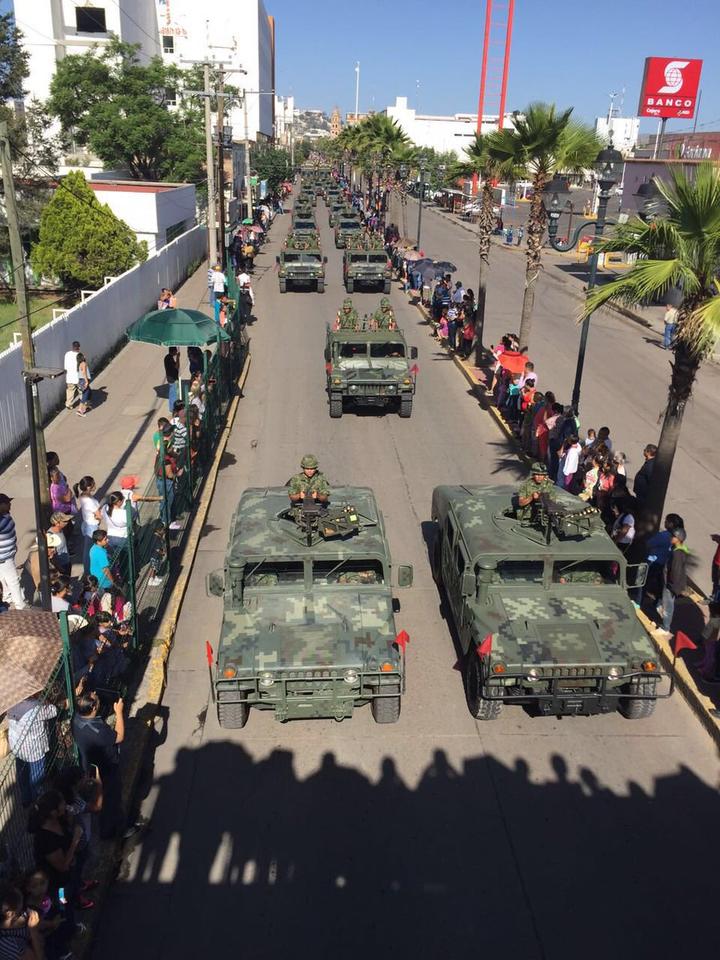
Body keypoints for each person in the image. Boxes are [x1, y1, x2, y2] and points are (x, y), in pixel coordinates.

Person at [71, 692, 127, 840]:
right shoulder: (98, 731)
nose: (95, 693)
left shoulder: (76, 719)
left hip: (91, 763)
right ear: (94, 707)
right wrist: (119, 713)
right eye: (95, 697)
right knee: (111, 798)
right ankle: (111, 831)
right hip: (107, 767)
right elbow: (119, 736)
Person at [7, 695, 57, 806]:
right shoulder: (36, 707)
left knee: (23, 776)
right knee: (36, 779)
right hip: (34, 751)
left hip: (18, 748)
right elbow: (54, 711)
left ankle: (26, 799)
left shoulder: (11, 703)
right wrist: (45, 699)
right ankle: (38, 803)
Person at [0, 882, 44, 960]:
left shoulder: (17, 917)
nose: (25, 911)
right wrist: (33, 931)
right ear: (9, 913)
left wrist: (51, 924)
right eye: (20, 909)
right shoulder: (9, 944)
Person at [661, 527, 689, 634]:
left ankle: (665, 628)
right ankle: (665, 624)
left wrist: (671, 585)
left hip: (671, 585)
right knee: (667, 604)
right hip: (672, 584)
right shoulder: (679, 549)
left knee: (668, 605)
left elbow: (675, 571)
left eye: (673, 536)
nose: (671, 537)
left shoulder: (677, 553)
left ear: (678, 538)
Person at [0, 494, 25, 610]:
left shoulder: (6, 516)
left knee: (4, 581)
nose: (10, 504)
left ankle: (7, 598)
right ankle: (20, 606)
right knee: (14, 582)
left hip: (8, 555)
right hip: (4, 559)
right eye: (7, 503)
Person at [63, 340, 80, 410]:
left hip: (69, 377)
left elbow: (65, 367)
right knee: (82, 391)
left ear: (72, 347)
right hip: (78, 377)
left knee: (70, 390)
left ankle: (68, 404)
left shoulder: (67, 354)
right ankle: (84, 403)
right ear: (78, 347)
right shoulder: (79, 355)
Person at [75, 352, 92, 417]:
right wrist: (86, 381)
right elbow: (84, 373)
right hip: (83, 380)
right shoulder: (83, 363)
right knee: (85, 395)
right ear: (82, 357)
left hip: (81, 380)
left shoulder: (79, 364)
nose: (85, 356)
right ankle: (79, 410)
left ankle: (87, 406)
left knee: (89, 392)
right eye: (83, 355)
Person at [163, 346, 180, 413]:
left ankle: (171, 407)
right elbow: (176, 367)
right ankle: (173, 408)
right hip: (172, 378)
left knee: (172, 393)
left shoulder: (167, 357)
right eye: (176, 351)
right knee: (174, 394)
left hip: (170, 377)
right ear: (173, 351)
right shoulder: (169, 358)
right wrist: (178, 358)